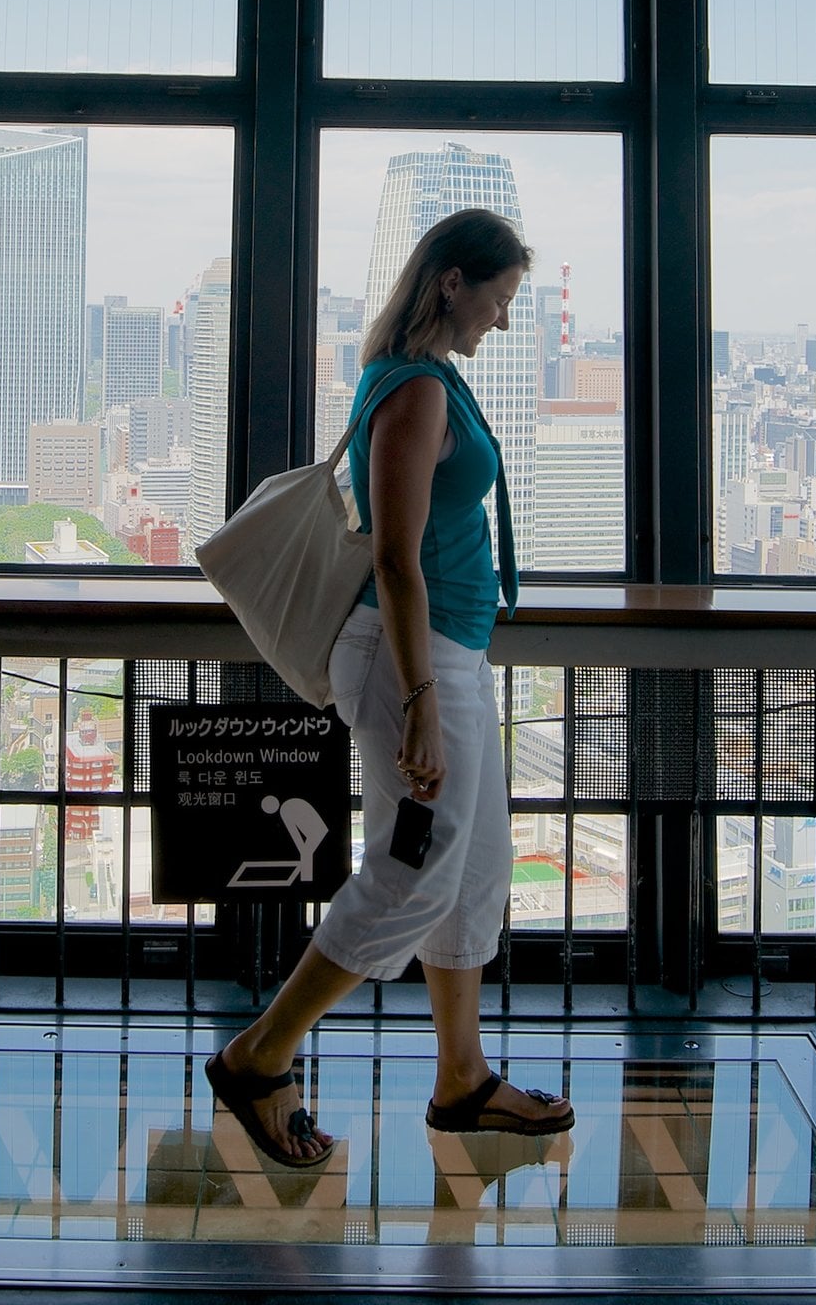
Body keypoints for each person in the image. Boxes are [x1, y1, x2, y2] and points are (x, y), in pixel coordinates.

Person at [203, 207, 572, 1167]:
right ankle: (260, 1056)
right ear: (452, 282)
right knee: (410, 872)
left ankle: (462, 1081)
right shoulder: (413, 391)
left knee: (475, 871)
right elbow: (399, 560)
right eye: (500, 297)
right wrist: (418, 707)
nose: (501, 318)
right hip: (414, 661)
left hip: (451, 656)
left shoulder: (433, 378)